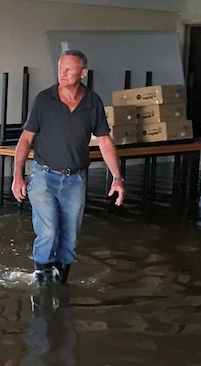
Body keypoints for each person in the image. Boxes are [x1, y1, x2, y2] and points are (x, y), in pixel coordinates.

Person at [11, 50, 125, 287]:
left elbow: (104, 141)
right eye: (60, 68)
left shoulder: (92, 102)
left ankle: (60, 286)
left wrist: (117, 177)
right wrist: (17, 176)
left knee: (70, 239)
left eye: (68, 69)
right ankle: (42, 286)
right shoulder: (44, 100)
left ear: (83, 73)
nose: (61, 73)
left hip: (75, 180)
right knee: (49, 232)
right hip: (44, 175)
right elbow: (25, 139)